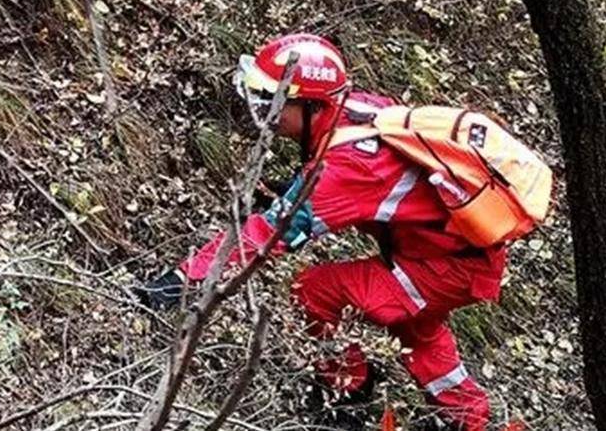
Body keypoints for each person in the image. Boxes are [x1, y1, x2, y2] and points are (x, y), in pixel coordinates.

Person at [137, 34, 523, 431]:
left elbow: (271, 235)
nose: (263, 112)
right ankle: (472, 419)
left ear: (312, 106)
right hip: (447, 256)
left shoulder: (348, 168)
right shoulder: (357, 108)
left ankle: (348, 394)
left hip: (445, 268)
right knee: (418, 333)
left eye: (274, 102)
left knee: (314, 291)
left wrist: (185, 279)